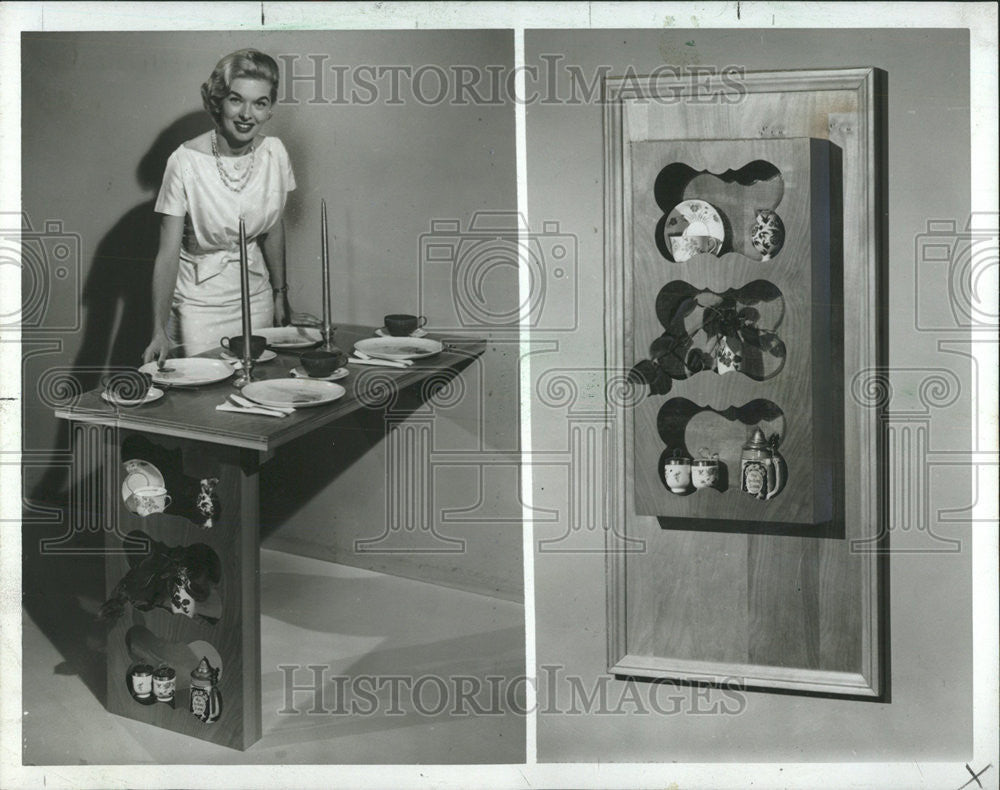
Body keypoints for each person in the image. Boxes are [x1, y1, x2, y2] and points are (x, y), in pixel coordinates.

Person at [143, 49, 295, 363]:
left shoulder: (275, 153)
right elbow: (167, 253)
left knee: (255, 389)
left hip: (257, 298)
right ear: (218, 102)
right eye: (236, 99)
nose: (247, 114)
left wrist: (281, 294)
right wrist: (158, 330)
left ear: (269, 110)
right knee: (202, 403)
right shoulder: (184, 161)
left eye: (260, 103)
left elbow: (273, 227)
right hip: (198, 304)